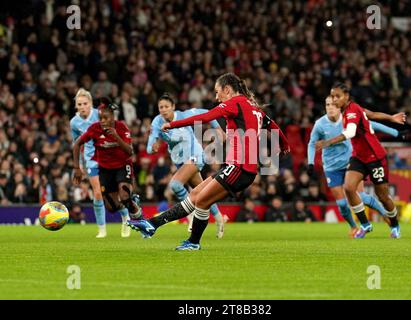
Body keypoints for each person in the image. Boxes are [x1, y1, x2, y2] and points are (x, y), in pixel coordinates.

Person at [128, 72, 290, 250]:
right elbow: (272, 124)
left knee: (202, 201)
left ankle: (193, 242)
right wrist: (284, 144)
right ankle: (152, 224)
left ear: (227, 90)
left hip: (239, 168)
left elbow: (204, 118)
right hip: (239, 168)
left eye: (217, 91)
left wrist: (172, 124)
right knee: (195, 195)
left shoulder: (234, 103)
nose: (216, 96)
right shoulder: (253, 107)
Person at [316, 83, 406, 239]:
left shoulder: (351, 112)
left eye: (338, 96)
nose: (334, 99)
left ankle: (395, 225)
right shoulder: (351, 109)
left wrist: (327, 143)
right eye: (332, 96)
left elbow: (350, 132)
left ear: (346, 97)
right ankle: (365, 225)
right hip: (359, 157)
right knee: (349, 188)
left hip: (375, 158)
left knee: (383, 197)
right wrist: (391, 117)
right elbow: (371, 114)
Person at [147, 93, 225, 238]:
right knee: (203, 193)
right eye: (161, 107)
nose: (163, 110)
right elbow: (149, 147)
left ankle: (191, 215)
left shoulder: (184, 115)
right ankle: (220, 219)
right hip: (180, 162)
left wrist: (218, 129)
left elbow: (208, 114)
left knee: (175, 185)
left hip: (195, 156)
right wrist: (153, 147)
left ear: (173, 107)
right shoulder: (157, 122)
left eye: (166, 106)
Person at [72, 98, 142, 236]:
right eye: (100, 118)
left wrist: (116, 136)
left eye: (106, 118)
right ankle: (131, 201)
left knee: (124, 195)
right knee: (111, 207)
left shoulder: (121, 127)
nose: (102, 121)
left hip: (123, 165)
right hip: (104, 168)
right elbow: (77, 144)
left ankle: (137, 217)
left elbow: (130, 151)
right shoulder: (94, 129)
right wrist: (76, 168)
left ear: (113, 117)